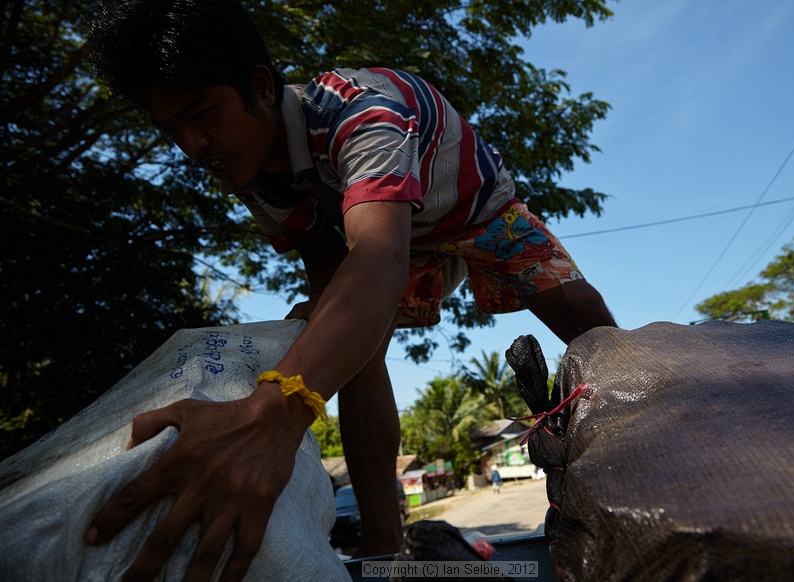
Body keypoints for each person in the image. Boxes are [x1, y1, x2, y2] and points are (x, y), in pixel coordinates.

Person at [87, 0, 617, 579]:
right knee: (345, 346)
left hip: (475, 214)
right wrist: (317, 369)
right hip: (394, 241)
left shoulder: (363, 111)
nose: (192, 146)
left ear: (261, 87)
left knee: (588, 324)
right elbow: (338, 290)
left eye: (202, 114)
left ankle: (647, 437)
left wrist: (272, 414)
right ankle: (384, 549)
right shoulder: (250, 169)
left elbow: (374, 255)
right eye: (172, 129)